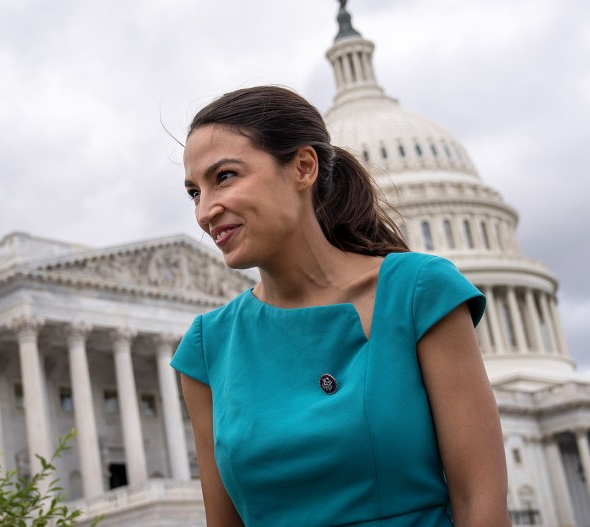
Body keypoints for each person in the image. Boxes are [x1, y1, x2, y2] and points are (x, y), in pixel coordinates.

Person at [171, 85, 510, 526]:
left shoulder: (417, 292)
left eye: (225, 177)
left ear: (304, 167)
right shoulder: (205, 347)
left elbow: (479, 505)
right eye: (194, 192)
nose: (205, 211)